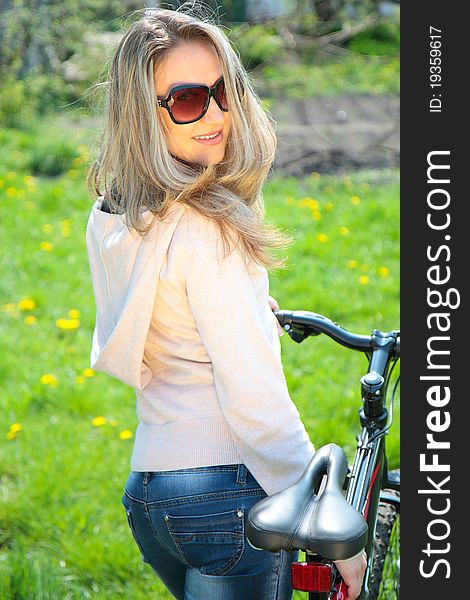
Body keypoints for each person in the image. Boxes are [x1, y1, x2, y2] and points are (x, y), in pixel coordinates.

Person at [85, 6, 366, 600]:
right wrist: (319, 512)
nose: (216, 114)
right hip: (226, 498)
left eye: (223, 90)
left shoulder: (114, 216)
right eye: (188, 100)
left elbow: (151, 325)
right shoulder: (208, 229)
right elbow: (254, 396)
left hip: (151, 494)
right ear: (143, 114)